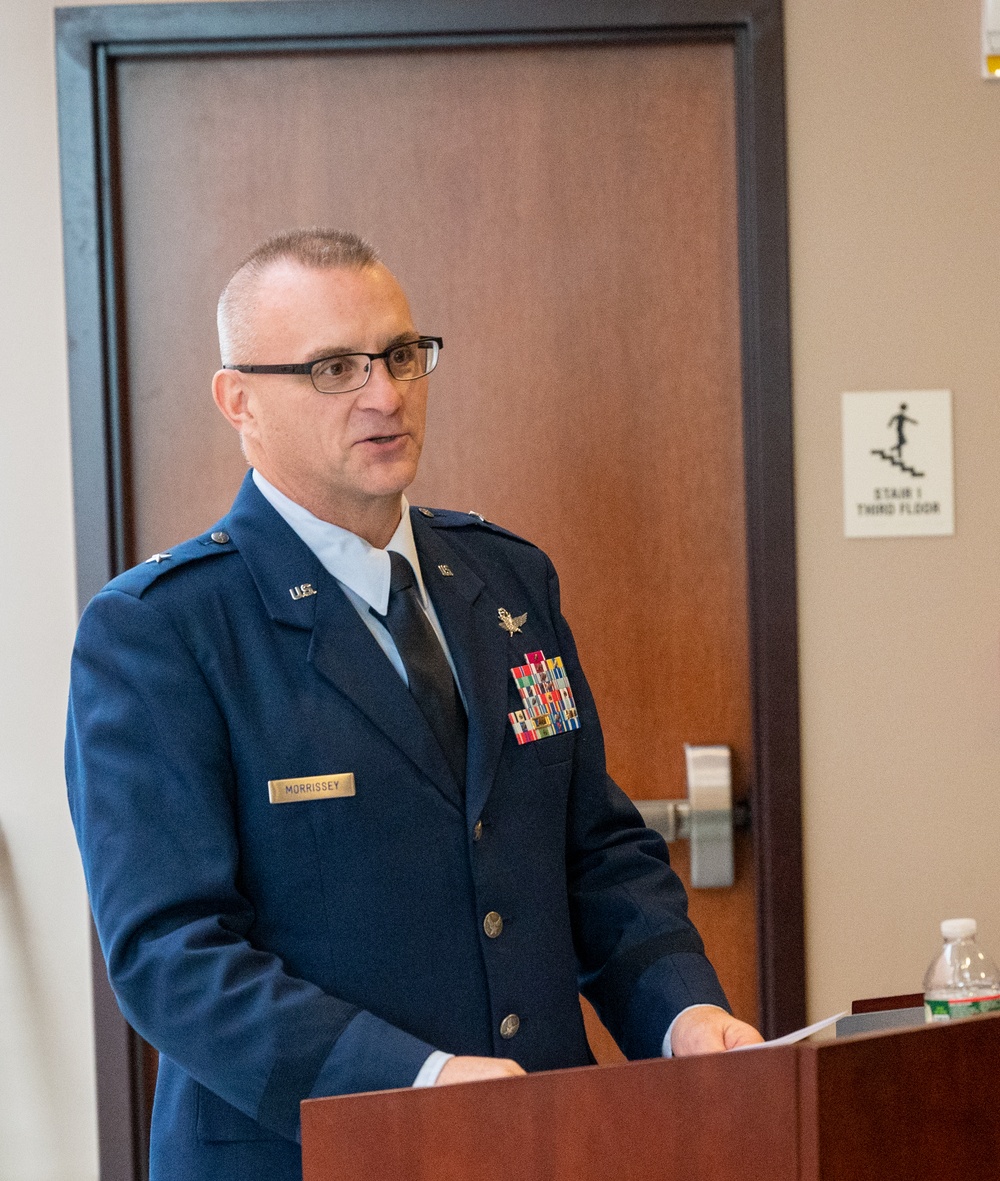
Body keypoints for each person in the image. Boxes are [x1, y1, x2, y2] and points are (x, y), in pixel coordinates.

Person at [66, 228, 761, 1181]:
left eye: (400, 355)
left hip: (549, 1138)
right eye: (333, 368)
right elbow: (170, 956)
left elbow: (594, 849)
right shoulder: (161, 630)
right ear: (239, 400)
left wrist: (685, 1013)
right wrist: (418, 1080)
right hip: (307, 1154)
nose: (384, 394)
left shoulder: (508, 581)